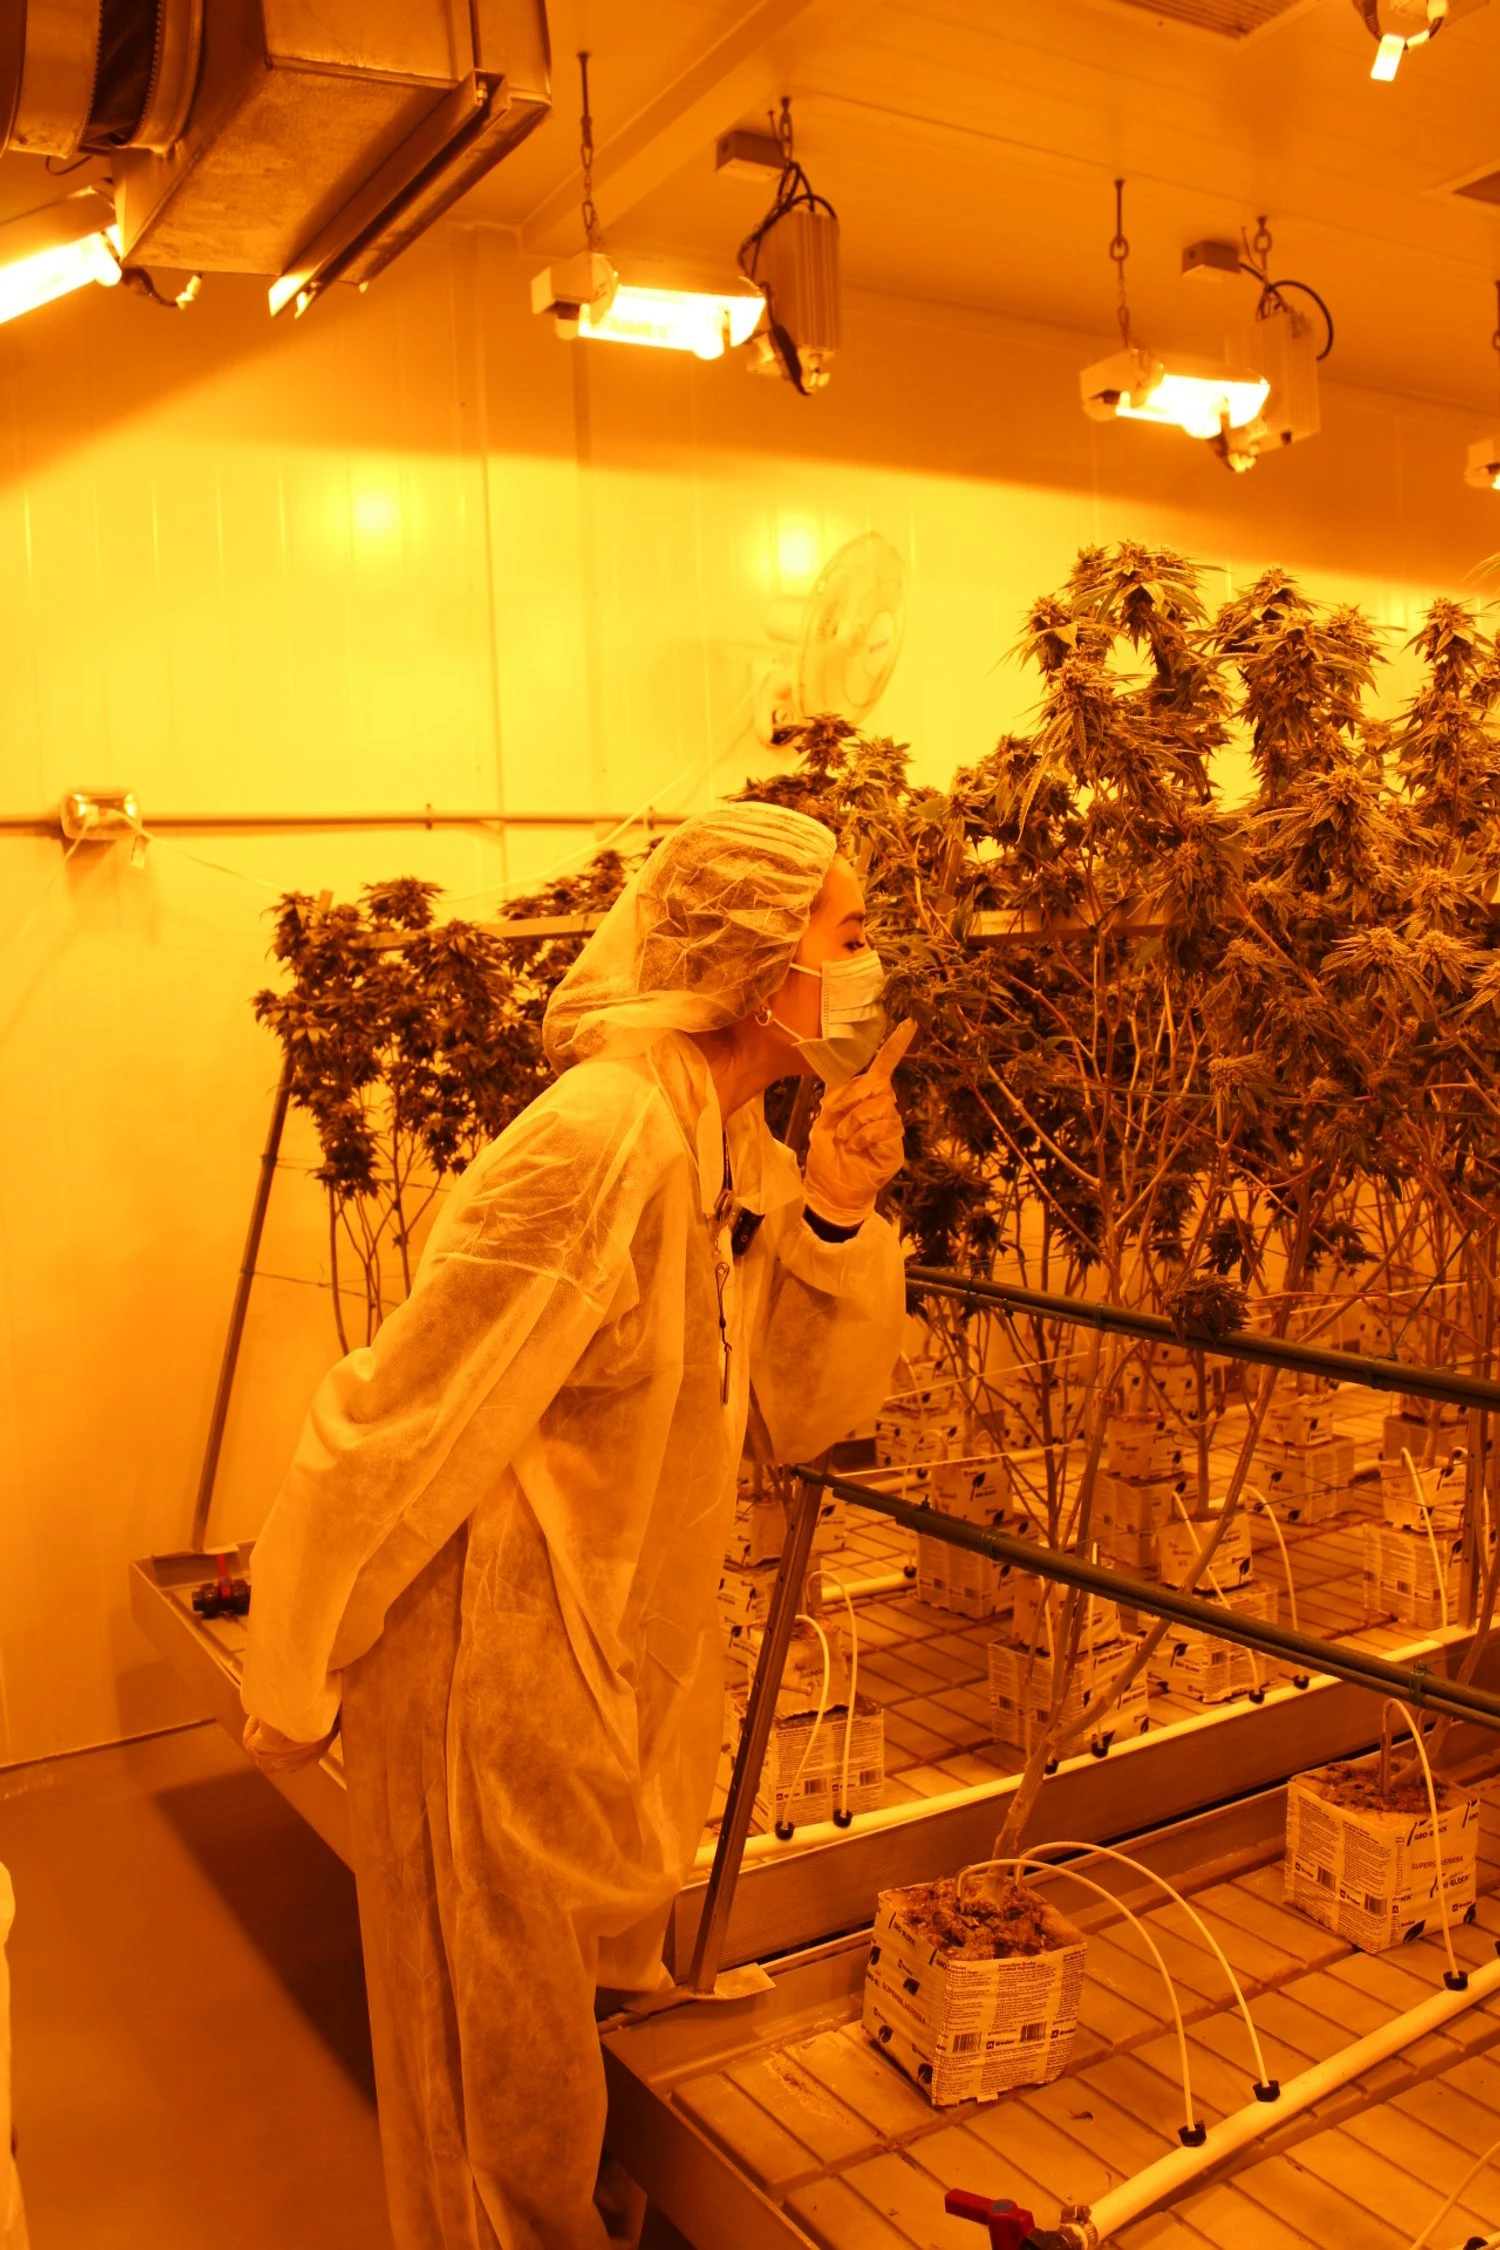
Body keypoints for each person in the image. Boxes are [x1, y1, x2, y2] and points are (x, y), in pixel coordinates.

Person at [239, 803, 910, 2250]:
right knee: (487, 2116)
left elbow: (798, 1405)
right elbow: (404, 1412)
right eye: (847, 936)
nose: (870, 969)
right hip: (483, 1668)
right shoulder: (602, 1135)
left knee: (538, 2087)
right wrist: (294, 1660)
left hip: (580, 1666)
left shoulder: (721, 1136)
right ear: (754, 956)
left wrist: (843, 1211)